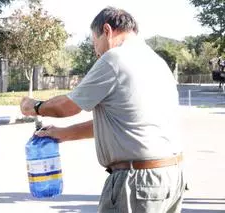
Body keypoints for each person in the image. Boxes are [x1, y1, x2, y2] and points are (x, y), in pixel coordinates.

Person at [20, 7, 185, 213]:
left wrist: (34, 107)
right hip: (171, 176)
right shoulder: (156, 62)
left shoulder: (115, 58)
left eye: (94, 43)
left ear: (107, 30)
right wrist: (62, 134)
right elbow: (123, 123)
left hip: (138, 182)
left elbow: (68, 106)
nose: (96, 52)